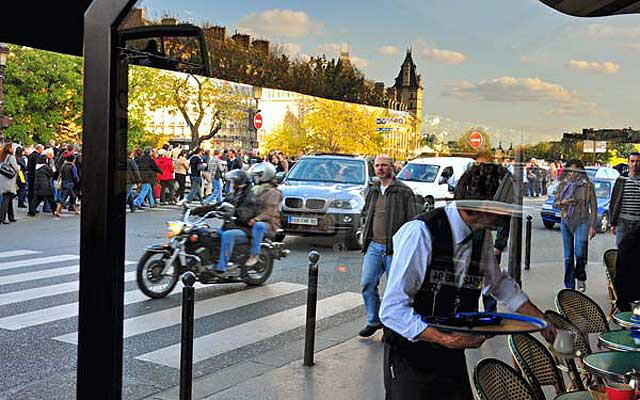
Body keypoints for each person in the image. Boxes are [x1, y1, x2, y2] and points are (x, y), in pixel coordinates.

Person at [380, 162, 555, 400]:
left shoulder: (479, 235)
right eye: (503, 209)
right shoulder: (421, 233)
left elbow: (499, 283)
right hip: (411, 353)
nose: (505, 217)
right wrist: (444, 338)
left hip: (451, 352)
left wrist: (541, 320)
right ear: (485, 207)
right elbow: (392, 310)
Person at [358, 155, 417, 337]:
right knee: (367, 284)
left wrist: (407, 247)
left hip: (395, 249)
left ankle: (392, 328)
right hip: (374, 246)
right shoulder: (373, 189)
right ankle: (374, 320)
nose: (380, 169)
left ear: (392, 168)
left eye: (384, 165)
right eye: (377, 166)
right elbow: (366, 214)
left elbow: (413, 221)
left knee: (395, 292)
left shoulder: (403, 191)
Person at [197, 169, 257, 277]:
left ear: (240, 182)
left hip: (245, 230)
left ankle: (222, 267)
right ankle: (210, 261)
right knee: (208, 233)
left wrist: (233, 212)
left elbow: (246, 215)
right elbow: (218, 205)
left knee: (227, 235)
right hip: (230, 227)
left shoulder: (249, 197)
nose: (232, 184)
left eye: (234, 181)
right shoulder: (232, 195)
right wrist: (200, 210)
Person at [553, 160, 597, 291]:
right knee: (568, 257)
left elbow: (593, 206)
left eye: (575, 171)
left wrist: (592, 225)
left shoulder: (587, 185)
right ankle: (570, 287)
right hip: (566, 220)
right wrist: (563, 202)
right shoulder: (562, 184)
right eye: (570, 171)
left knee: (579, 253)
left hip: (582, 220)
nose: (572, 174)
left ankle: (581, 277)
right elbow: (554, 203)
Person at [610, 152, 640, 311]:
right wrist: (612, 222)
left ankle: (633, 292)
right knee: (622, 258)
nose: (635, 164)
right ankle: (621, 293)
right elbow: (614, 200)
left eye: (638, 162)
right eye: (632, 161)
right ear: (628, 163)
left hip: (638, 224)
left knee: (636, 260)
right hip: (623, 223)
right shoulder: (622, 180)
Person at [245, 162, 282, 267]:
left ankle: (254, 255)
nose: (256, 178)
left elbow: (269, 212)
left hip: (269, 223)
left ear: (265, 176)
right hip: (252, 219)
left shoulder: (274, 192)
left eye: (258, 176)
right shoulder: (256, 189)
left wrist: (256, 219)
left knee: (258, 226)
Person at [28, 149, 60, 218]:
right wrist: (54, 169)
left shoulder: (37, 166)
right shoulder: (44, 167)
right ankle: (55, 209)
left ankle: (31, 211)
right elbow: (52, 174)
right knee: (50, 198)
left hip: (38, 184)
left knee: (37, 199)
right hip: (45, 185)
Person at [0, 142, 19, 224]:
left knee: (9, 198)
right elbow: (16, 168)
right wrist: (19, 168)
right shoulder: (11, 157)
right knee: (7, 198)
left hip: (3, 178)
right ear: (9, 148)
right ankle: (2, 217)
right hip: (9, 180)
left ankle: (11, 217)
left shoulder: (2, 157)